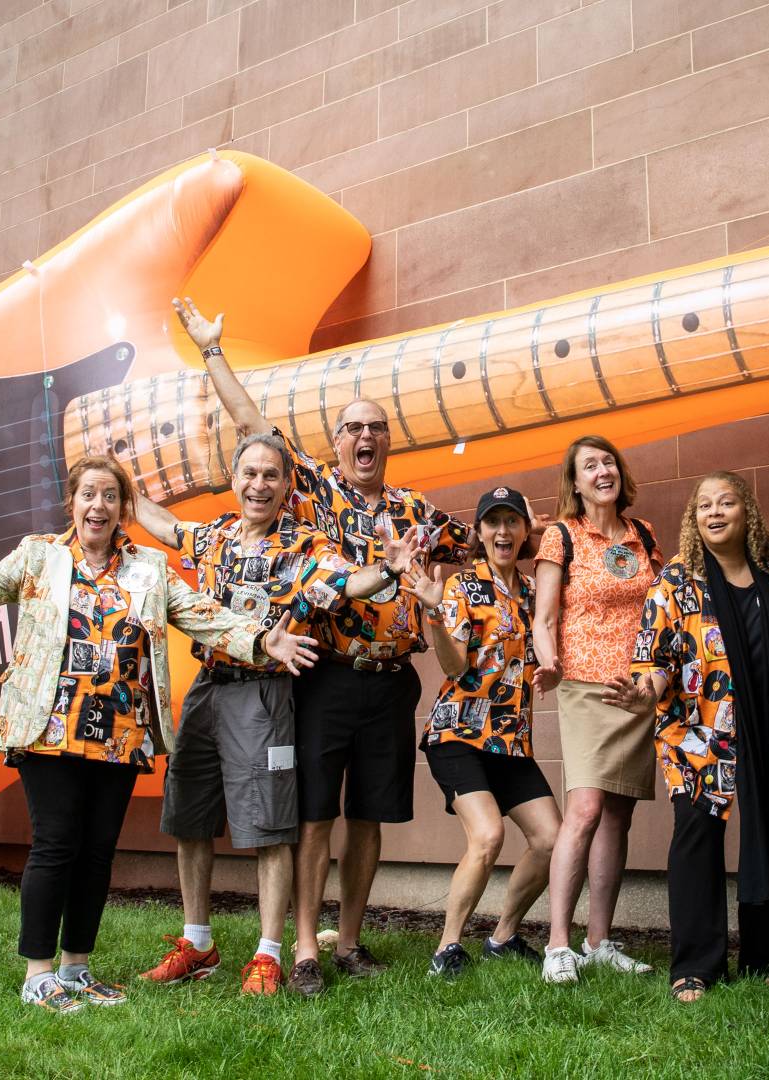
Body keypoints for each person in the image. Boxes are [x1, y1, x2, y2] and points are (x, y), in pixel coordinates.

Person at [0, 455, 318, 1013]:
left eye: (110, 496)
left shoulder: (148, 569)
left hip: (120, 733)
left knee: (95, 854)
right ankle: (39, 974)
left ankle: (76, 968)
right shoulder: (39, 556)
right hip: (49, 728)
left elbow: (204, 614)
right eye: (89, 494)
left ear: (122, 509)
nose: (99, 506)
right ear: (73, 501)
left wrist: (263, 641)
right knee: (56, 845)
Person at [176, 299, 471, 998]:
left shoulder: (418, 512)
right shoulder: (316, 490)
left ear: (388, 443)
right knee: (315, 813)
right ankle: (304, 948)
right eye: (352, 429)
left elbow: (491, 542)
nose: (364, 438)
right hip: (326, 676)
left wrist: (550, 540)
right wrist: (213, 350)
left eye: (376, 429)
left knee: (369, 816)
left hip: (392, 680)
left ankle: (353, 940)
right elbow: (252, 425)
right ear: (336, 443)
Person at [130, 434, 428, 996]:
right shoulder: (215, 535)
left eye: (271, 475)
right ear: (234, 477)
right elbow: (166, 526)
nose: (259, 485)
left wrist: (388, 570)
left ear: (287, 485)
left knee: (270, 825)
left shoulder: (307, 546)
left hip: (264, 696)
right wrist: (123, 489)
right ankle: (198, 943)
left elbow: (349, 580)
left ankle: (268, 954)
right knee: (190, 816)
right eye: (249, 474)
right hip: (207, 688)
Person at [603, 472, 769, 1003]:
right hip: (697, 730)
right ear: (694, 518)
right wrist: (646, 694)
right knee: (696, 835)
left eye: (727, 503)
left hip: (768, 725)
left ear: (747, 512)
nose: (715, 513)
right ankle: (695, 964)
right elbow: (655, 658)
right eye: (704, 506)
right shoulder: (677, 580)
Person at [407, 487, 562, 979]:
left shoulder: (536, 591)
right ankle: (447, 949)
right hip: (459, 735)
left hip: (511, 740)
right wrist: (433, 614)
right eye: (492, 522)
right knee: (488, 835)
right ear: (479, 532)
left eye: (512, 522)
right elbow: (453, 666)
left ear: (524, 530)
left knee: (551, 839)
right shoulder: (462, 587)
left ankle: (503, 936)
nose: (502, 531)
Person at [531, 435, 662, 984]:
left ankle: (600, 940)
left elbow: (662, 604)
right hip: (583, 684)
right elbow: (542, 618)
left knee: (618, 815)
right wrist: (551, 663)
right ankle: (557, 944)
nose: (602, 471)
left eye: (608, 461)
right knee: (584, 809)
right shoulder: (561, 536)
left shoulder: (643, 535)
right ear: (575, 482)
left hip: (635, 688)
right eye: (590, 465)